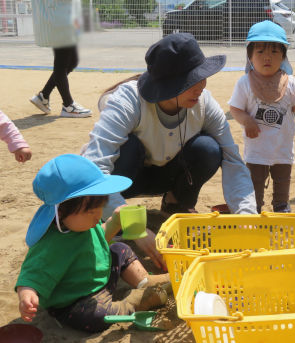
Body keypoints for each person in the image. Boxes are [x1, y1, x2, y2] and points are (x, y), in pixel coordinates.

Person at [82, 33, 257, 269]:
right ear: (164, 87)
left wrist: (247, 218)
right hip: (125, 178)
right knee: (129, 147)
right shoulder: (128, 101)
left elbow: (233, 160)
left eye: (202, 77)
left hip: (167, 173)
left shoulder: (204, 103)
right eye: (189, 83)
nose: (200, 87)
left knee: (209, 148)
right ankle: (116, 221)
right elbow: (94, 169)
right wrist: (136, 228)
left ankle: (176, 203)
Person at [15, 154, 170, 332]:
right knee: (95, 317)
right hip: (76, 301)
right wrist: (27, 294)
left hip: (100, 279)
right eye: (91, 211)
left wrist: (114, 222)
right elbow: (31, 275)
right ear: (62, 209)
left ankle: (144, 281)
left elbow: (99, 240)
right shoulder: (51, 245)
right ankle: (133, 303)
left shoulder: (82, 224)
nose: (98, 215)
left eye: (101, 206)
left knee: (119, 249)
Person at [228, 21, 295, 213]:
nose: (267, 57)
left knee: (283, 179)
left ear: (284, 57)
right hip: (257, 147)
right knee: (255, 181)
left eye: (274, 52)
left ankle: (281, 207)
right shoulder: (245, 82)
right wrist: (247, 121)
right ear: (250, 56)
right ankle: (255, 208)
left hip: (282, 146)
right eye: (260, 52)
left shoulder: (290, 81)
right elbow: (235, 108)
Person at [29, 0, 91, 118]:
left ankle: (43, 96)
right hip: (58, 17)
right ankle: (68, 105)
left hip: (63, 14)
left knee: (72, 61)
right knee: (62, 63)